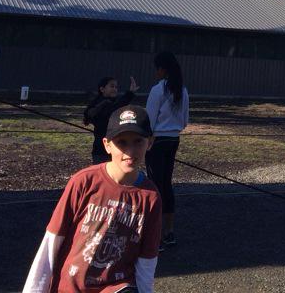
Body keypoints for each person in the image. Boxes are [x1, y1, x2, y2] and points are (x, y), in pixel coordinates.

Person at [22, 104, 161, 293]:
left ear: (150, 142)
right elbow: (52, 241)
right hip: (72, 285)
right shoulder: (84, 181)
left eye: (138, 141)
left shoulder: (150, 196)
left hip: (115, 286)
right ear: (107, 145)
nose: (130, 151)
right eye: (122, 142)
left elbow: (147, 258)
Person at [145, 51, 190, 249]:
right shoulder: (182, 89)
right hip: (173, 139)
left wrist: (148, 138)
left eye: (157, 68)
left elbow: (149, 118)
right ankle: (168, 231)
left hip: (157, 140)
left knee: (155, 185)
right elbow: (185, 120)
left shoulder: (158, 89)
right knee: (166, 184)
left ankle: (155, 234)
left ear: (162, 69)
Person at [83, 75, 139, 164]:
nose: (115, 89)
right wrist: (130, 94)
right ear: (102, 89)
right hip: (101, 150)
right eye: (112, 86)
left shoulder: (113, 102)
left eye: (116, 87)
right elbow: (112, 109)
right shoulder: (100, 104)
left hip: (115, 148)